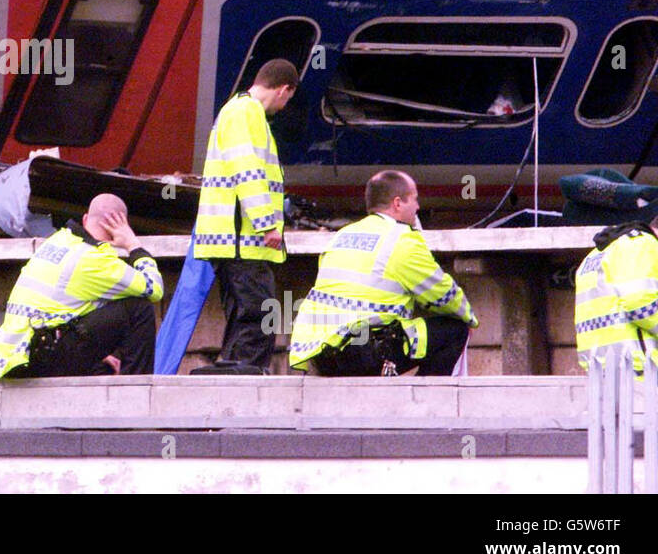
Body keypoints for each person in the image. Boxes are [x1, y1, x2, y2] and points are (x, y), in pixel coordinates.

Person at [288, 170, 478, 376]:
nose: (418, 206)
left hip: (320, 354)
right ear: (397, 203)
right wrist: (469, 319)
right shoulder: (401, 239)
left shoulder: (342, 234)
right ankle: (426, 403)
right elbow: (442, 293)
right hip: (362, 353)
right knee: (454, 330)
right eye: (414, 199)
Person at [193, 58, 299, 372]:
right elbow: (248, 172)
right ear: (283, 90)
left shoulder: (237, 112)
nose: (284, 106)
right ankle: (244, 387)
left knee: (246, 317)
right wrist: (267, 223)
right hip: (242, 239)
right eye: (288, 99)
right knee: (259, 314)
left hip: (233, 239)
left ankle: (232, 379)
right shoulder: (246, 113)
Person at [0, 194, 163, 379]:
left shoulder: (57, 241)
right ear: (121, 227)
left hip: (17, 358)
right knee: (138, 308)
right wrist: (133, 244)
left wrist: (97, 355)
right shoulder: (95, 260)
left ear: (86, 218)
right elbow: (154, 289)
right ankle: (137, 391)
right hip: (41, 357)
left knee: (101, 367)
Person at [574, 210, 658, 386]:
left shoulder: (596, 254)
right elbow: (640, 304)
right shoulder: (643, 243)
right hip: (638, 369)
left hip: (602, 370)